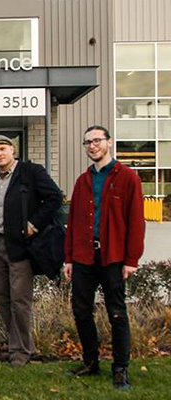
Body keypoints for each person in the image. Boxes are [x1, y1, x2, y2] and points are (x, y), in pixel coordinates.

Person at [64, 125, 144, 389]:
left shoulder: (128, 177)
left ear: (109, 142)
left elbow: (135, 222)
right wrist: (69, 258)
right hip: (84, 257)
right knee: (81, 311)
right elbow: (73, 222)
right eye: (87, 142)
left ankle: (120, 368)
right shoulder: (83, 180)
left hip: (113, 258)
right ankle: (90, 362)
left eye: (97, 140)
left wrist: (131, 259)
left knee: (117, 313)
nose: (92, 146)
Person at [0, 135, 62, 367]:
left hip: (20, 245)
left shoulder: (31, 172)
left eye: (2, 149)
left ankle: (20, 351)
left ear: (12, 150)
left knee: (20, 299)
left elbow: (54, 197)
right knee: (1, 296)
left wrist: (33, 224)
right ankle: (17, 343)